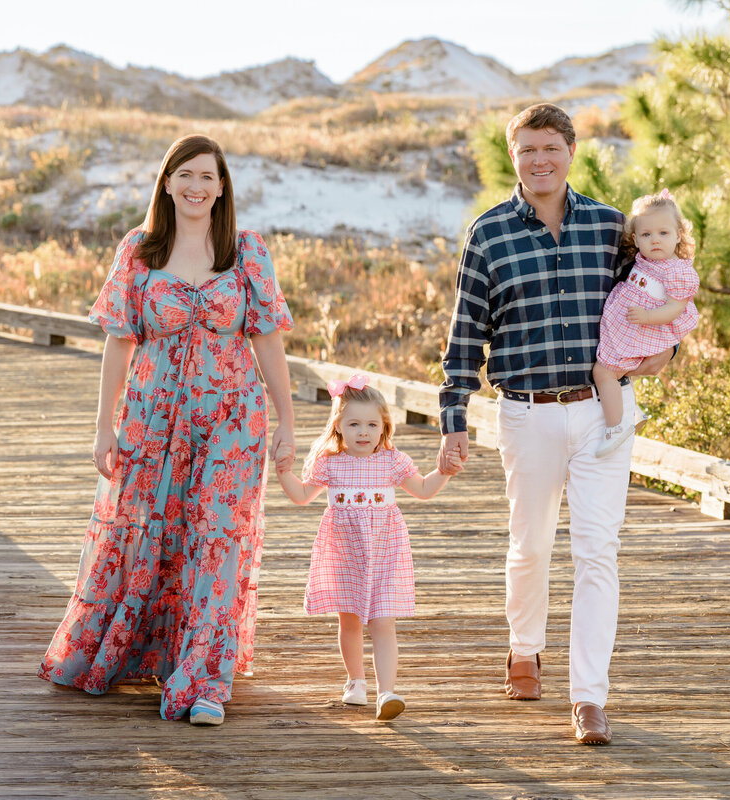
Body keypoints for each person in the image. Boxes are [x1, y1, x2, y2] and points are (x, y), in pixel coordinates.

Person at [38, 134, 295, 727]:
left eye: (207, 176)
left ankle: (204, 680)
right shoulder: (140, 249)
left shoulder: (247, 251)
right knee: (147, 532)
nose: (196, 186)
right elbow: (118, 342)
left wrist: (286, 420)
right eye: (185, 175)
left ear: (222, 186)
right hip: (152, 417)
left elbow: (269, 341)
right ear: (167, 182)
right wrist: (103, 426)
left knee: (218, 541)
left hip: (232, 418)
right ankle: (149, 651)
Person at [437, 103, 674, 745]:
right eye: (527, 150)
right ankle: (523, 646)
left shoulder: (609, 227)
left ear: (571, 150)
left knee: (598, 553)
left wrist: (667, 349)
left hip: (604, 412)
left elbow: (650, 297)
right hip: (526, 412)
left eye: (551, 147)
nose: (540, 160)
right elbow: (466, 335)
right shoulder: (488, 234)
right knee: (532, 542)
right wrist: (453, 415)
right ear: (513, 157)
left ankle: (589, 697)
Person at [274, 374, 461, 721]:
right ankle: (355, 681)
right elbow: (301, 496)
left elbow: (422, 489)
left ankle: (387, 691)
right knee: (350, 621)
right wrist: (283, 472)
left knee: (383, 621)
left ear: (384, 426)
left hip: (386, 548)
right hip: (345, 549)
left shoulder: (392, 460)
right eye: (354, 423)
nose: (363, 432)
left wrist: (444, 471)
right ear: (339, 427)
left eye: (372, 424)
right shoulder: (330, 462)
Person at [591, 189, 699, 457]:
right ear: (636, 239)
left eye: (663, 233)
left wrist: (648, 317)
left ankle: (616, 428)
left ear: (678, 235)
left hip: (645, 326)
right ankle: (631, 414)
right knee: (613, 370)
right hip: (631, 323)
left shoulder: (679, 271)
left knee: (604, 372)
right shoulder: (647, 260)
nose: (655, 240)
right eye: (647, 235)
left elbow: (676, 307)